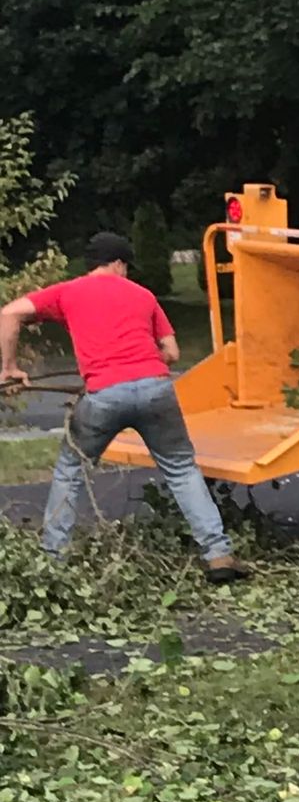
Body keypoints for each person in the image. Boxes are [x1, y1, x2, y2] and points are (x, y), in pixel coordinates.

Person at [0, 230, 245, 579]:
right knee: (181, 469)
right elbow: (172, 353)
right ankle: (218, 554)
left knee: (70, 471)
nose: (127, 273)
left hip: (103, 395)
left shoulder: (67, 292)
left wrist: (9, 369)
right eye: (126, 266)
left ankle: (52, 561)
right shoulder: (144, 295)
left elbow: (9, 313)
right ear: (117, 263)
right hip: (156, 390)